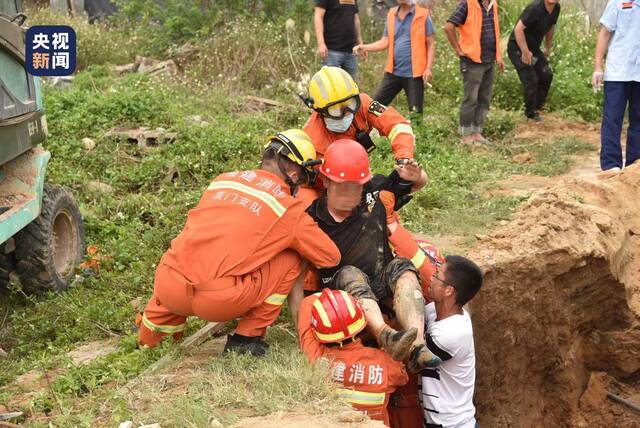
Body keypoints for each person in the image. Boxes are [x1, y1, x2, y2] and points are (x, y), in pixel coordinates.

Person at [136, 129, 341, 356]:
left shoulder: (222, 180)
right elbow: (330, 256)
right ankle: (247, 339)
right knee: (291, 257)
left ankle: (149, 341)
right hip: (217, 300)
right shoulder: (287, 207)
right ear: (293, 172)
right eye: (303, 177)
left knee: (185, 254)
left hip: (168, 286)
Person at [305, 139, 431, 366]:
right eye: (342, 186)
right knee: (349, 273)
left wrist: (416, 175)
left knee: (402, 267)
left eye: (356, 186)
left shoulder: (375, 192)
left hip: (381, 281)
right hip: (344, 297)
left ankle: (417, 345)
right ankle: (385, 335)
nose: (350, 194)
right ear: (325, 182)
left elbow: (416, 183)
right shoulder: (311, 219)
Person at [298, 288, 408, 426]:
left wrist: (328, 299)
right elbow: (402, 378)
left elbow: (305, 308)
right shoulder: (385, 363)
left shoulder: (315, 356)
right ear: (362, 323)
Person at [302, 66, 416, 165]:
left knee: (419, 179)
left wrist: (404, 158)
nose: (346, 112)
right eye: (335, 109)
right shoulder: (311, 141)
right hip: (330, 184)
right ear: (319, 111)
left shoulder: (363, 103)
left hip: (358, 172)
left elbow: (396, 124)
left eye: (349, 104)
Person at [419, 255, 484, 428]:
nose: (431, 279)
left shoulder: (452, 333)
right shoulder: (436, 311)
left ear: (449, 291)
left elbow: (413, 356)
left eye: (437, 276)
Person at [353, 0, 436, 117]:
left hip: (414, 74)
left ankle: (418, 134)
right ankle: (368, 132)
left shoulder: (423, 15)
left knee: (416, 113)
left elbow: (431, 43)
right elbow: (385, 41)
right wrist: (365, 47)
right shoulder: (392, 14)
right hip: (393, 72)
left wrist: (428, 68)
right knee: (375, 107)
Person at [444, 0, 504, 145]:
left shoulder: (493, 4)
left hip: (489, 60)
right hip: (472, 61)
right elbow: (448, 27)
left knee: (484, 98)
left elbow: (494, 31)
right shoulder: (467, 3)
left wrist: (498, 56)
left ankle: (477, 133)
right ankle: (466, 136)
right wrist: (458, 50)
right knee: (471, 99)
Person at [592, 0, 640, 172]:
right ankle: (611, 165)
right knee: (612, 118)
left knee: (638, 120)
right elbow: (605, 33)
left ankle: (635, 165)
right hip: (617, 71)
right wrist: (598, 68)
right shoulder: (618, 2)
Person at [507, 0, 560, 122]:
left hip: (534, 49)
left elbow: (551, 27)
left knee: (546, 74)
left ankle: (535, 109)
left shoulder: (556, 8)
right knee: (531, 79)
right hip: (517, 47)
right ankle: (529, 114)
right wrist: (525, 52)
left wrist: (547, 48)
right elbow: (518, 29)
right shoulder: (535, 8)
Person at [314, 0, 363, 80]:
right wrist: (321, 43)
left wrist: (360, 43)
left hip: (351, 51)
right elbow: (318, 16)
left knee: (351, 87)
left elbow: (356, 20)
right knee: (332, 86)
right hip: (331, 51)